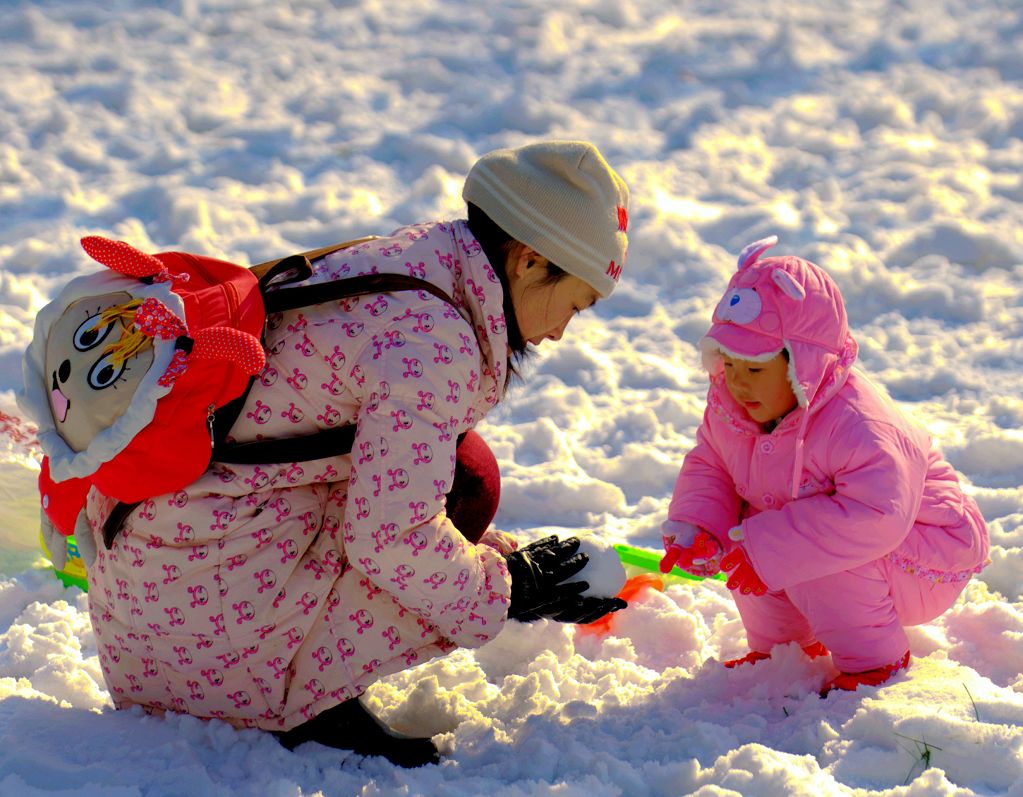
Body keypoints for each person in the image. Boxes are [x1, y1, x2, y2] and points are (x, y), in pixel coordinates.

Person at [62, 141, 630, 766]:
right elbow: (391, 537)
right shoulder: (431, 345)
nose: (557, 333)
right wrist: (506, 592)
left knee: (465, 475)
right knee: (453, 504)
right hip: (191, 636)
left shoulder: (417, 264)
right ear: (527, 261)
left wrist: (491, 564)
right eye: (574, 305)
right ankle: (291, 702)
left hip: (147, 582)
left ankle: (292, 672)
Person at [658, 236, 989, 695]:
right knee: (749, 534)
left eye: (754, 370)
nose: (735, 383)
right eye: (728, 364)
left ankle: (876, 662)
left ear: (803, 365)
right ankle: (785, 650)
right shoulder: (733, 408)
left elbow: (876, 515)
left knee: (803, 547)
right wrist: (701, 527)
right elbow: (711, 463)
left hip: (924, 546)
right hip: (854, 538)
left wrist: (768, 547)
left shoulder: (857, 424)